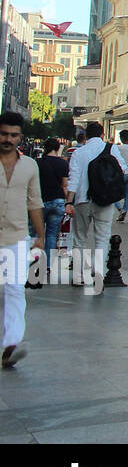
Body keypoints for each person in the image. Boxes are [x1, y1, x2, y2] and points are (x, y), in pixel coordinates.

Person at [0, 111, 44, 369]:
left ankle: (11, 345)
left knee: (15, 290)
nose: (8, 139)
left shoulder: (30, 166)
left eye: (13, 135)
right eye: (4, 133)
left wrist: (40, 235)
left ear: (21, 138)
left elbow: (35, 202)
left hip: (17, 238)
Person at [66, 121, 128, 284]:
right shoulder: (111, 148)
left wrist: (69, 202)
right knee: (102, 237)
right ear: (102, 134)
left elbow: (73, 179)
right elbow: (123, 169)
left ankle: (78, 277)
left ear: (86, 136)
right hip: (105, 200)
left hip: (82, 200)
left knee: (80, 238)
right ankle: (98, 272)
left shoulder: (79, 153)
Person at [32, 138, 68, 289]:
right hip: (58, 201)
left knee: (36, 234)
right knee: (52, 235)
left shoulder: (37, 163)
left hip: (40, 202)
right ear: (58, 148)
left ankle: (34, 262)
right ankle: (47, 266)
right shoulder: (63, 163)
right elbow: (65, 185)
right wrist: (66, 202)